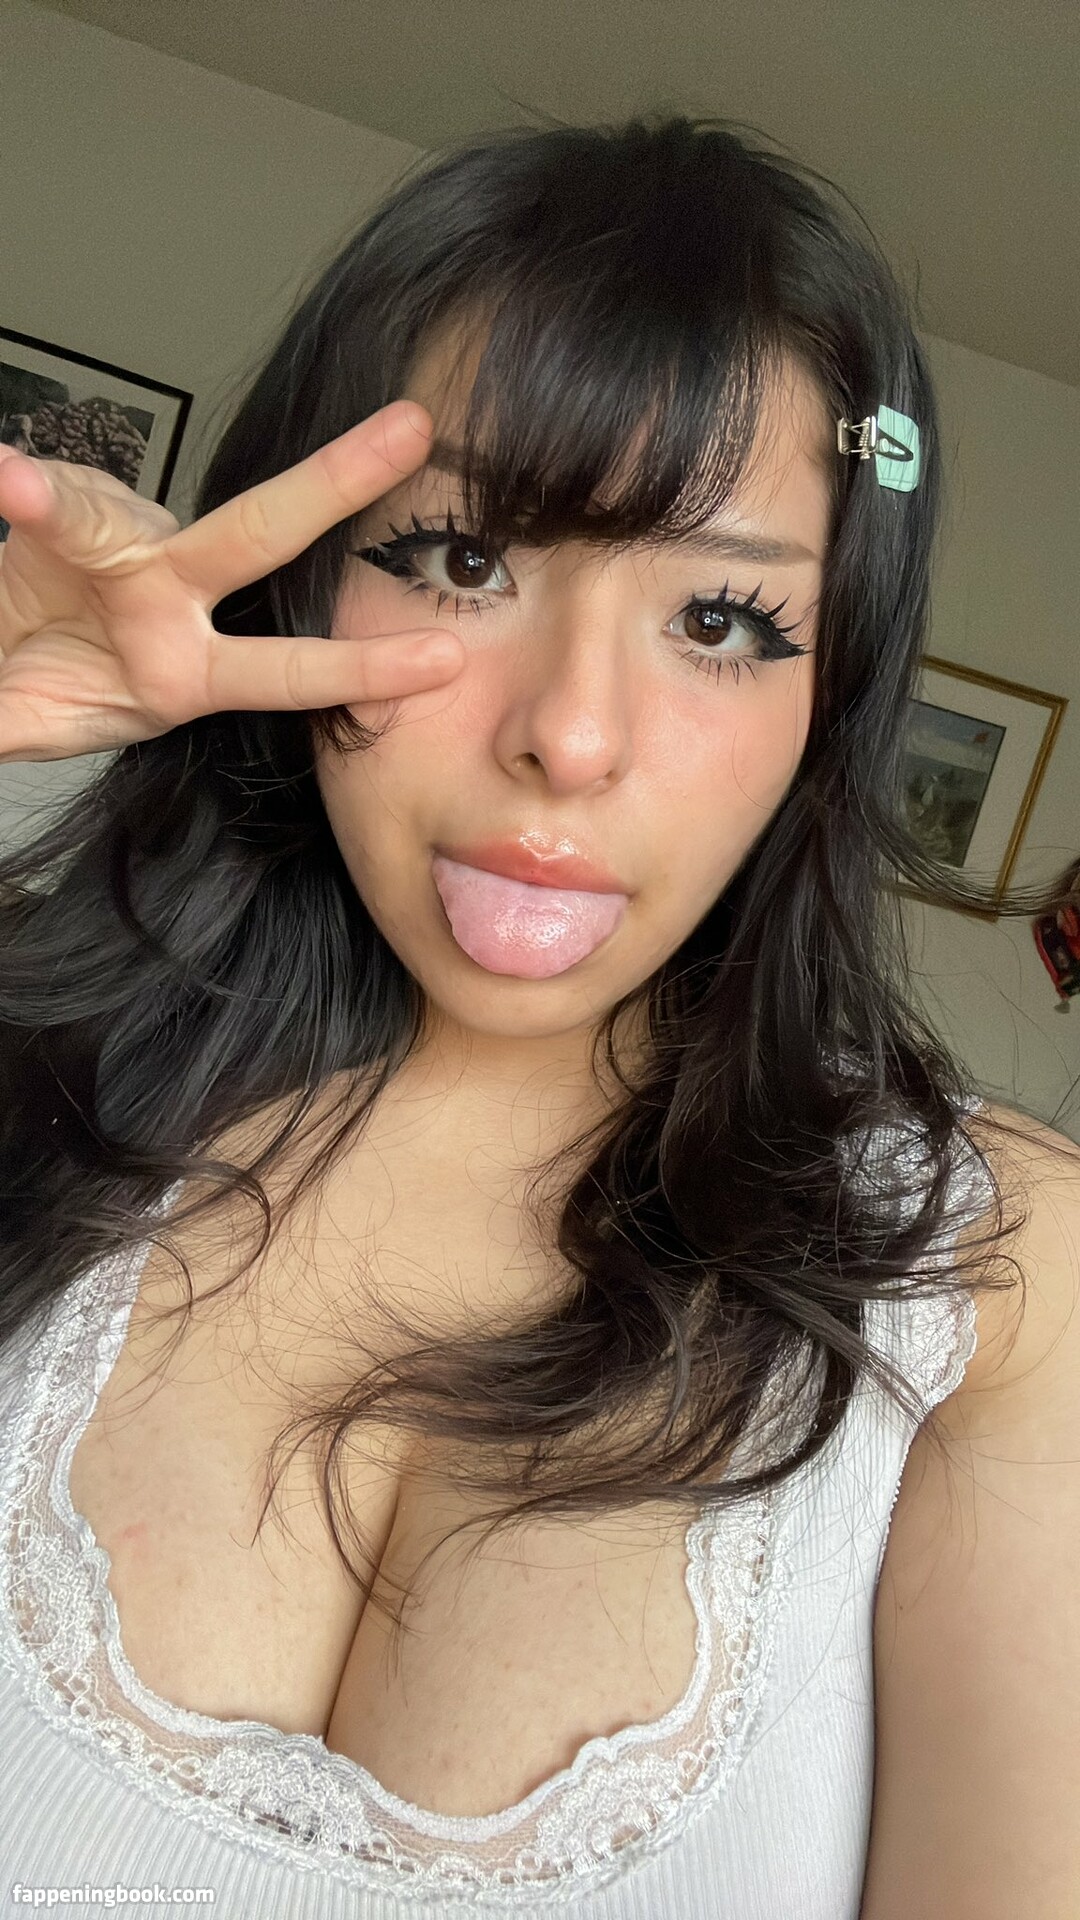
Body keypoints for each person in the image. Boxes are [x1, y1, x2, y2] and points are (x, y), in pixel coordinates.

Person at [0, 113, 1076, 1920]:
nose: (570, 736)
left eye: (722, 617)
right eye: (460, 559)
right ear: (298, 581)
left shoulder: (999, 1279)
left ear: (832, 695)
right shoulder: (34, 1080)